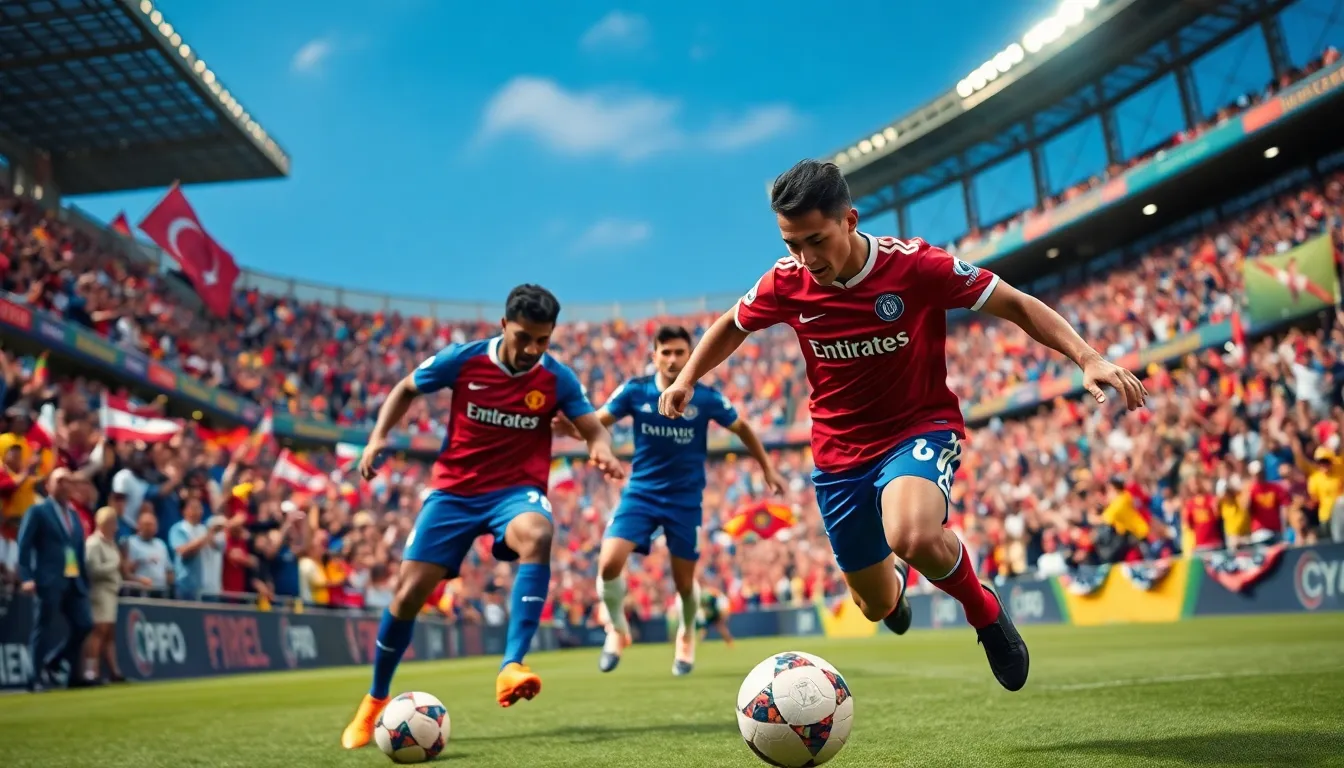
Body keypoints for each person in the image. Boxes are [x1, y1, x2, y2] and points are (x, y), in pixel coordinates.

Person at [657, 160, 1146, 693]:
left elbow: (1016, 304)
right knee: (875, 606)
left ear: (850, 219)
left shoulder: (915, 267)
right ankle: (894, 585)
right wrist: (686, 378)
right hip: (838, 455)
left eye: (815, 240)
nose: (805, 258)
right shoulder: (786, 282)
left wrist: (1088, 357)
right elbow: (731, 324)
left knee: (910, 534)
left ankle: (984, 613)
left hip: (918, 428)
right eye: (792, 243)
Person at [341, 284, 623, 749]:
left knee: (538, 532)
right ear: (503, 326)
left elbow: (592, 428)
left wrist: (600, 449)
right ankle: (374, 700)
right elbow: (406, 388)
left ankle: (512, 664)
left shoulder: (557, 379)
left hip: (515, 494)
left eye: (543, 340)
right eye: (524, 337)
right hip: (453, 492)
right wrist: (376, 438)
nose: (533, 349)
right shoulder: (463, 359)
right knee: (408, 593)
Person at [582, 324, 783, 676]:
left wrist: (767, 468)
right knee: (609, 562)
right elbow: (597, 420)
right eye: (666, 352)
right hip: (641, 493)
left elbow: (744, 428)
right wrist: (568, 423)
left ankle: (686, 634)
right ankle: (616, 629)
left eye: (680, 352)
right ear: (654, 356)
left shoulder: (704, 398)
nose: (673, 359)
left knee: (684, 583)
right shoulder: (635, 391)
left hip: (685, 500)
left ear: (690, 356)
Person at [16, 468, 98, 691]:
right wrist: (26, 576)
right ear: (48, 485)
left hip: (74, 580)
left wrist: (83, 578)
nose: (65, 485)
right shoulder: (38, 511)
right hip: (48, 579)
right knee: (43, 627)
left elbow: (78, 549)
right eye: (60, 481)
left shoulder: (73, 515)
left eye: (69, 481)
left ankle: (58, 664)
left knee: (84, 624)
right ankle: (35, 678)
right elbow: (24, 547)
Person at [83, 505, 126, 683]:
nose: (115, 527)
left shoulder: (111, 543)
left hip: (111, 592)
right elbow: (92, 569)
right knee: (99, 631)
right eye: (112, 522)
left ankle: (114, 672)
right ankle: (91, 672)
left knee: (109, 633)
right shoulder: (93, 543)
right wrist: (114, 565)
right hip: (99, 591)